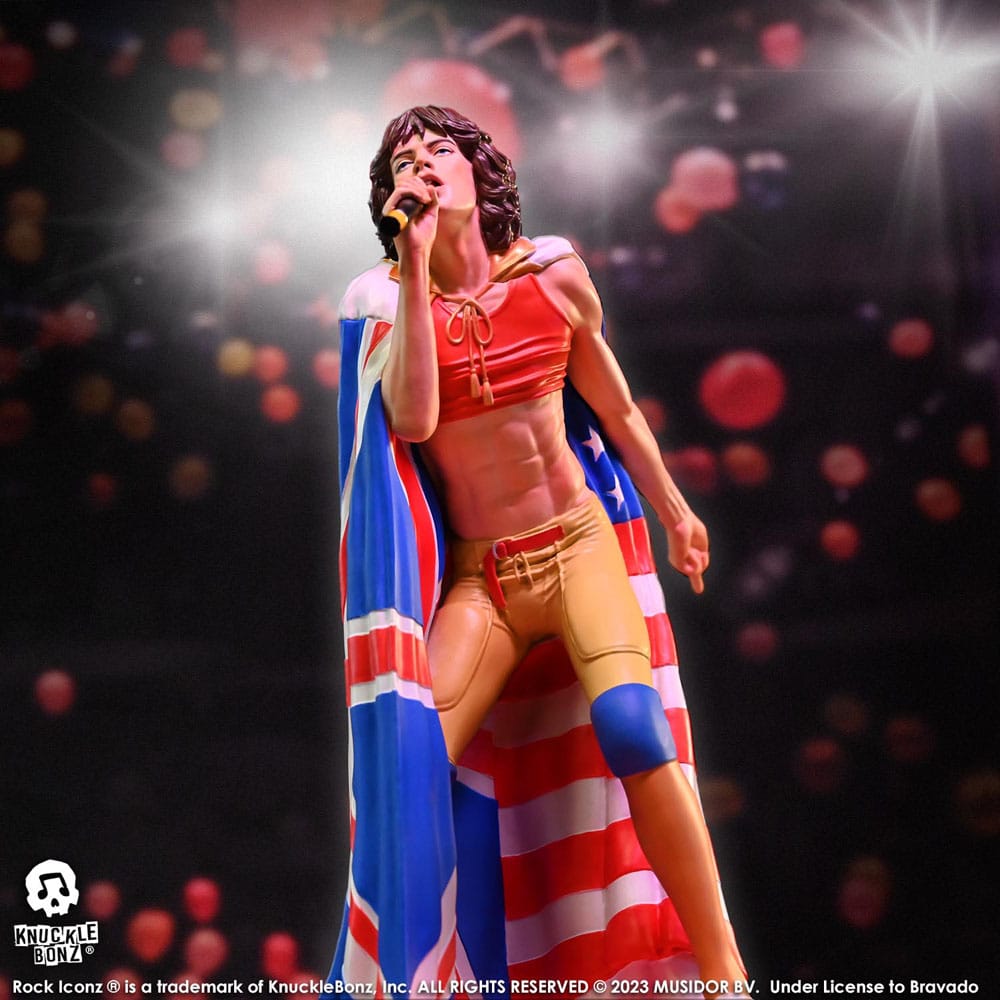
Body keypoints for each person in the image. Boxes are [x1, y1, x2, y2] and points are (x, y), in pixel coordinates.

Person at [332, 105, 746, 999]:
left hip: (577, 545)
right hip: (484, 581)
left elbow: (618, 406)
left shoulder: (553, 273)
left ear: (480, 171)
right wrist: (415, 263)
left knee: (634, 728)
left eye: (441, 151)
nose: (423, 166)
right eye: (405, 161)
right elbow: (413, 420)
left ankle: (723, 966)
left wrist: (675, 511)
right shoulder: (385, 303)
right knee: (407, 766)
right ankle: (421, 979)